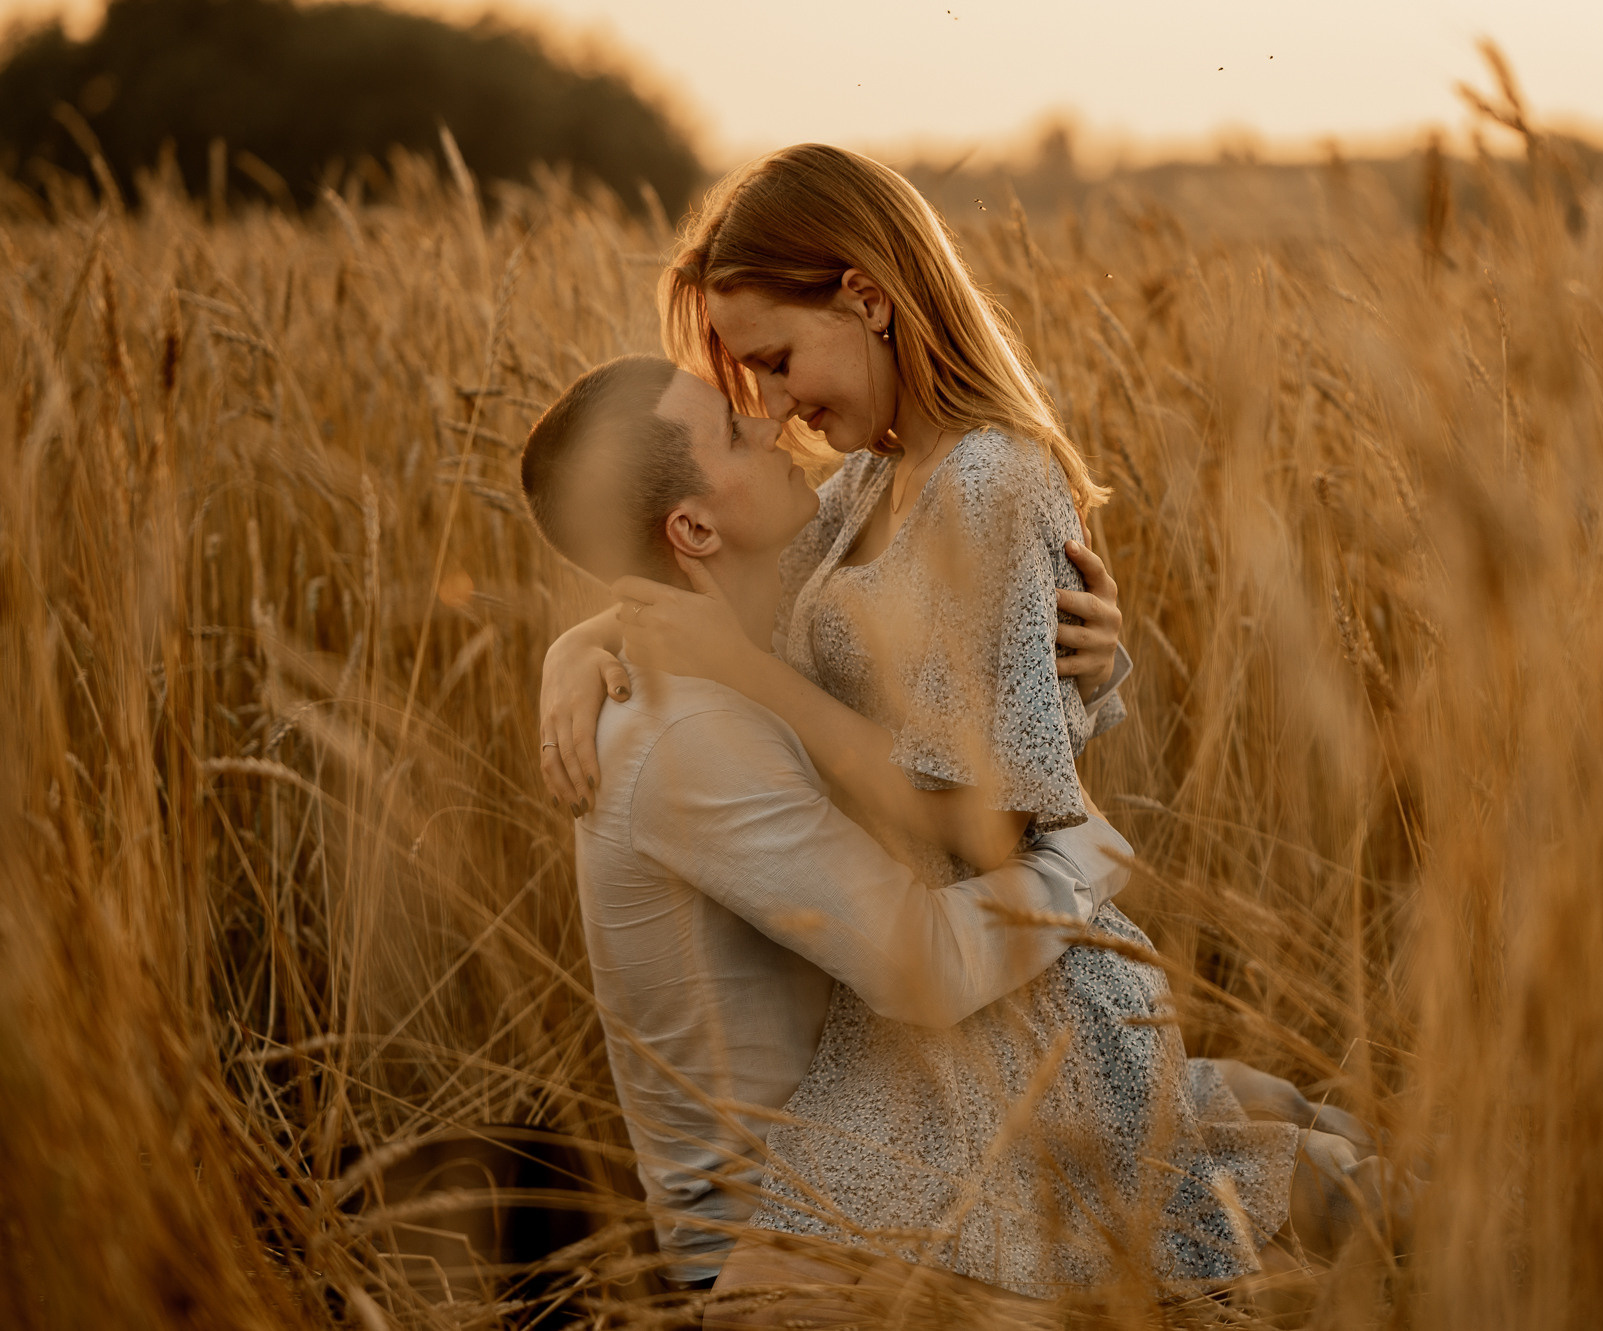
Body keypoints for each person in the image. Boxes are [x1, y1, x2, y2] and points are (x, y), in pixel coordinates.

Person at [539, 145, 1389, 1314]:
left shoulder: (988, 479)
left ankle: (1388, 1211)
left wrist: (758, 677)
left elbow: (979, 808)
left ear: (867, 296)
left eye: (775, 365)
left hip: (1003, 987)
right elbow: (728, 593)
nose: (775, 413)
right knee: (1184, 1199)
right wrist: (580, 642)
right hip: (932, 1012)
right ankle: (1336, 1184)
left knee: (1177, 1244)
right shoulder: (859, 490)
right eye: (746, 397)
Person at [519, 353, 1138, 1292]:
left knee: (1238, 1123)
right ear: (693, 527)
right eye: (735, 432)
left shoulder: (747, 648)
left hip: (896, 1148)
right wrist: (1085, 849)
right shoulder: (689, 739)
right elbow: (928, 964)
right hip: (793, 1239)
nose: (773, 425)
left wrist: (1080, 652)